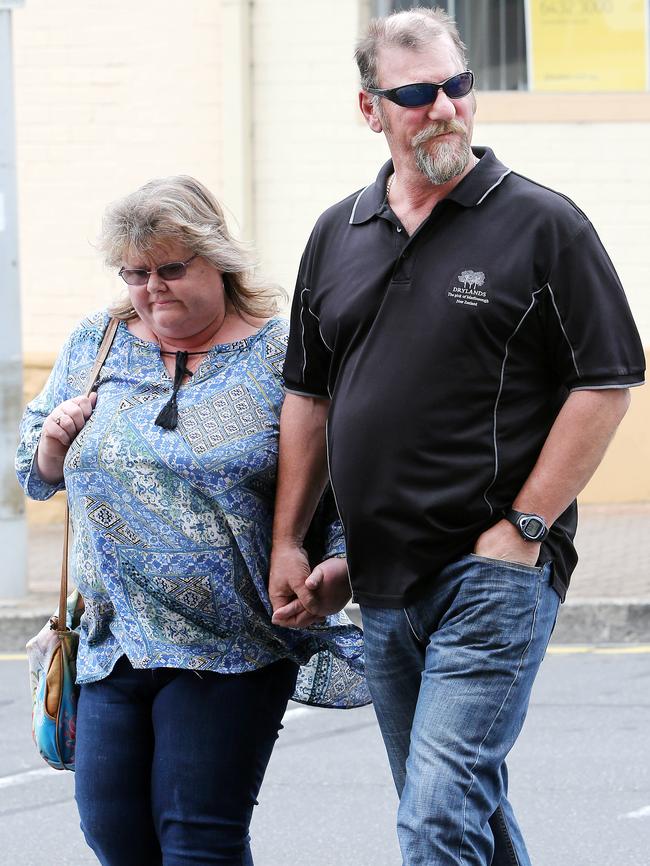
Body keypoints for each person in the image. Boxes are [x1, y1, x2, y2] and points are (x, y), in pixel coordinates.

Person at [269, 7, 645, 866]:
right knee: (459, 808)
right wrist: (294, 542)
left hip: (493, 575)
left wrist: (523, 530)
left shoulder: (544, 225)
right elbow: (310, 397)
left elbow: (607, 381)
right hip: (381, 581)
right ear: (371, 109)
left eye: (458, 86)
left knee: (436, 819)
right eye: (416, 93)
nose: (444, 107)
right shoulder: (338, 231)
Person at [16, 175, 368, 866]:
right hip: (110, 639)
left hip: (229, 645)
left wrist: (337, 566)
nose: (153, 288)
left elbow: (344, 480)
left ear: (219, 260)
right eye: (136, 273)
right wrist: (52, 444)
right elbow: (34, 468)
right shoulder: (99, 343)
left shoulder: (281, 353)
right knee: (114, 836)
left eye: (172, 268)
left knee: (199, 840)